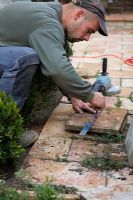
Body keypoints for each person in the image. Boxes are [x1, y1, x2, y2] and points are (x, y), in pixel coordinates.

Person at [0, 0, 108, 145]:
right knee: (26, 58)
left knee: (36, 56)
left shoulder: (53, 17)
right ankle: (6, 130)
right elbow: (57, 68)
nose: (87, 38)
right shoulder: (48, 23)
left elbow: (58, 59)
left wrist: (74, 94)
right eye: (89, 30)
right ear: (79, 15)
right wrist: (89, 94)